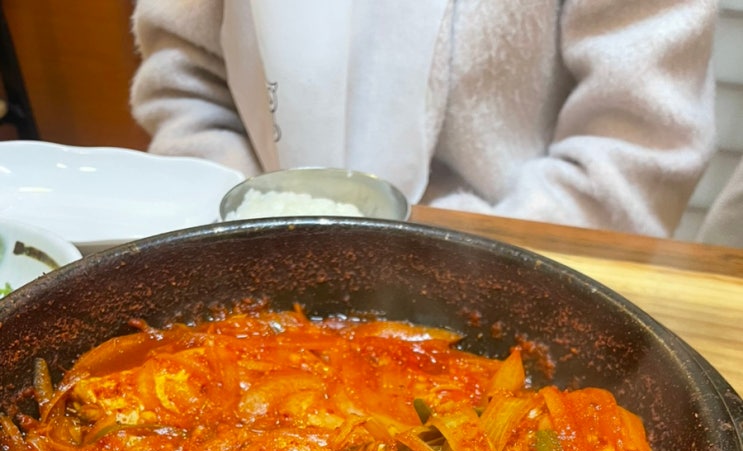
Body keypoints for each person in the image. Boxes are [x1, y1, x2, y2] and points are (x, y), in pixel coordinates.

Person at [130, 0, 717, 237]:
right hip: (251, 257)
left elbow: (638, 152)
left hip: (520, 262)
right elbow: (185, 88)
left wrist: (450, 256)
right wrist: (243, 228)